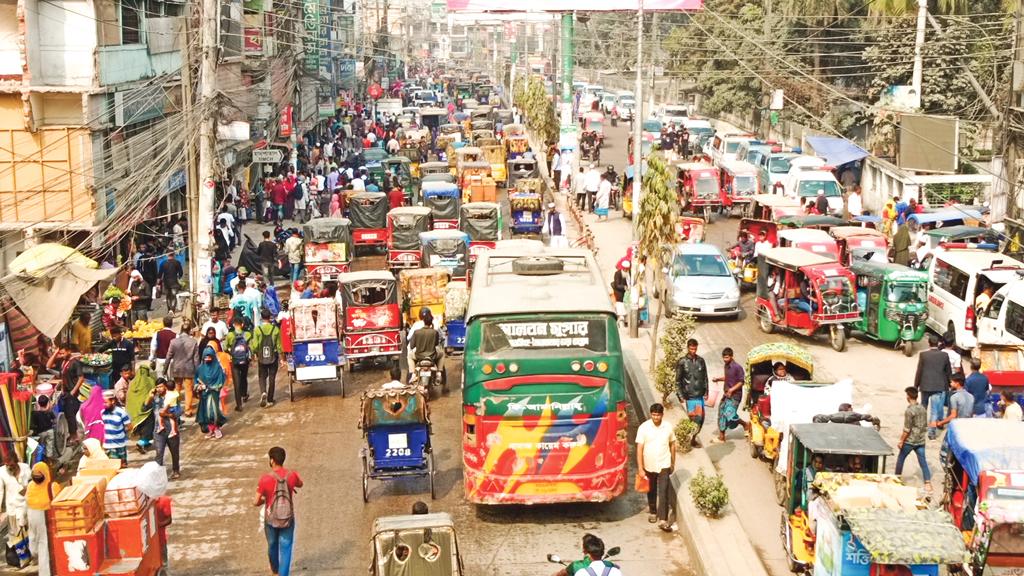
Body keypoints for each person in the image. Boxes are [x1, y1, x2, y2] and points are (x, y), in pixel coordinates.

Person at [254, 446, 303, 576]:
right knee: (286, 547)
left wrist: (265, 500)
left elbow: (255, 501)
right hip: (287, 518)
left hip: (270, 519)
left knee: (272, 544)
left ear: (272, 460)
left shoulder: (265, 479)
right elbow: (300, 484)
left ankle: (275, 570)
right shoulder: (291, 475)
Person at [636, 403, 676, 533]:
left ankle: (663, 519)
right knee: (651, 489)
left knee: (663, 491)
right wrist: (640, 468)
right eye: (653, 415)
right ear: (650, 414)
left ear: (662, 415)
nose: (656, 417)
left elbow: (672, 445)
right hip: (649, 464)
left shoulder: (668, 427)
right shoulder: (644, 428)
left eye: (658, 415)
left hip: (664, 463)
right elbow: (639, 449)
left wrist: (673, 463)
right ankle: (653, 511)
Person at [914, 335, 951, 440]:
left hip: (925, 385)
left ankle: (920, 430)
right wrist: (949, 383)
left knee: (923, 408)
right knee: (934, 411)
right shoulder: (944, 355)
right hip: (938, 386)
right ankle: (931, 433)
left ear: (929, 343)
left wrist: (915, 386)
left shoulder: (923, 355)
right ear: (938, 343)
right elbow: (948, 372)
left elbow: (919, 371)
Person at [895, 387, 932, 492]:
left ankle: (896, 478)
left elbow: (907, 429)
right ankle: (928, 483)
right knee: (923, 462)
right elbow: (925, 425)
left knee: (901, 459)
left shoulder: (909, 411)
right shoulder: (923, 408)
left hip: (910, 441)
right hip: (920, 440)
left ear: (908, 396)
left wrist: (901, 440)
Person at [26, 461, 59, 576]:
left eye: (39, 475)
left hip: (45, 519)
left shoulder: (52, 486)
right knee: (35, 545)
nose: (36, 478)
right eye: (34, 475)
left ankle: (45, 573)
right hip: (32, 518)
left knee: (43, 546)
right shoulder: (30, 485)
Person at [675, 339, 709, 447]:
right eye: (691, 349)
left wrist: (706, 390)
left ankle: (692, 438)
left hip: (699, 395)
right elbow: (677, 380)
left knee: (701, 419)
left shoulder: (701, 361)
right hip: (689, 396)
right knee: (696, 419)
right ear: (688, 348)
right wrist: (680, 395)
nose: (693, 351)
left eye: (695, 349)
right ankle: (691, 440)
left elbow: (705, 377)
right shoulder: (682, 362)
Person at [147, 379, 182, 479]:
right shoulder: (155, 399)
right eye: (157, 387)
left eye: (161, 386)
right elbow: (144, 408)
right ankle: (158, 473)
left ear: (166, 386)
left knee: (174, 452)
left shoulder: (172, 397)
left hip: (171, 429)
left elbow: (179, 412)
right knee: (159, 452)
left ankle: (176, 470)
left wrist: (166, 414)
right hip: (158, 430)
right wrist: (149, 397)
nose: (159, 389)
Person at [714, 347, 749, 442]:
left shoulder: (737, 367)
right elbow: (727, 377)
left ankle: (745, 424)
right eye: (724, 358)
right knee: (721, 413)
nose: (725, 359)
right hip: (726, 395)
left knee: (730, 414)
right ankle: (722, 437)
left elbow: (741, 382)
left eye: (727, 357)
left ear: (732, 356)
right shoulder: (726, 366)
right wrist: (718, 379)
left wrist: (731, 390)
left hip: (735, 396)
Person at [167, 321, 199, 417]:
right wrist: (198, 372)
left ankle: (175, 407)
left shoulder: (173, 342)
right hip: (189, 368)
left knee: (177, 388)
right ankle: (187, 410)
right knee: (188, 389)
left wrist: (165, 369)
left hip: (177, 368)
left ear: (181, 330)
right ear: (189, 331)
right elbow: (196, 359)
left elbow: (168, 356)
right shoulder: (193, 342)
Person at [195, 346, 228, 439]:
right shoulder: (200, 368)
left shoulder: (217, 368)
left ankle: (217, 428)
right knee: (205, 413)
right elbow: (196, 379)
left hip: (214, 393)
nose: (207, 359)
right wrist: (199, 386)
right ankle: (211, 430)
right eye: (205, 357)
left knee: (213, 412)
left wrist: (214, 387)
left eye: (209, 357)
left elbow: (221, 379)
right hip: (204, 394)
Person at [252, 309, 283, 408]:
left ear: (261, 318)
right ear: (270, 317)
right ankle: (270, 399)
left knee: (262, 376)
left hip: (262, 356)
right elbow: (279, 346)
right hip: (273, 356)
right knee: (272, 377)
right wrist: (282, 358)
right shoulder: (275, 329)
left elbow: (255, 345)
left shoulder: (257, 330)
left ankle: (263, 392)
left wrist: (254, 354)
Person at [553, 533, 623, 576]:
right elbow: (617, 567)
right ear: (602, 552)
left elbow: (561, 574)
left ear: (585, 551)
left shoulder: (580, 572)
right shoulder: (615, 571)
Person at [0, 452, 30, 548]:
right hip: (13, 507)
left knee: (30, 533)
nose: (9, 467)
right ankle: (23, 558)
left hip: (27, 505)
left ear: (16, 462)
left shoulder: (25, 467)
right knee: (17, 536)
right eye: (7, 465)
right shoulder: (1, 472)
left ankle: (33, 554)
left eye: (11, 465)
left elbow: (32, 483)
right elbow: (0, 491)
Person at [126, 364, 157, 454]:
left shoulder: (133, 383)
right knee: (148, 428)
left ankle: (145, 442)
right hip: (146, 410)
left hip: (135, 411)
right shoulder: (150, 381)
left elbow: (129, 397)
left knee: (140, 427)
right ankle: (141, 443)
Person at [225, 317, 253, 411]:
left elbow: (225, 348)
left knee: (236, 382)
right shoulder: (248, 334)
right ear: (242, 325)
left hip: (235, 361)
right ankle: (244, 394)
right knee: (244, 377)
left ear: (233, 325)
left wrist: (231, 353)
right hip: (245, 361)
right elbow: (251, 347)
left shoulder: (230, 335)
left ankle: (239, 405)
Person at [101, 389, 132, 467]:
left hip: (120, 445)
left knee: (123, 466)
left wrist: (121, 433)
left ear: (113, 401)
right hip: (108, 446)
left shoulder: (121, 412)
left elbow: (129, 426)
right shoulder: (101, 413)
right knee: (113, 467)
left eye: (105, 402)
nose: (103, 404)